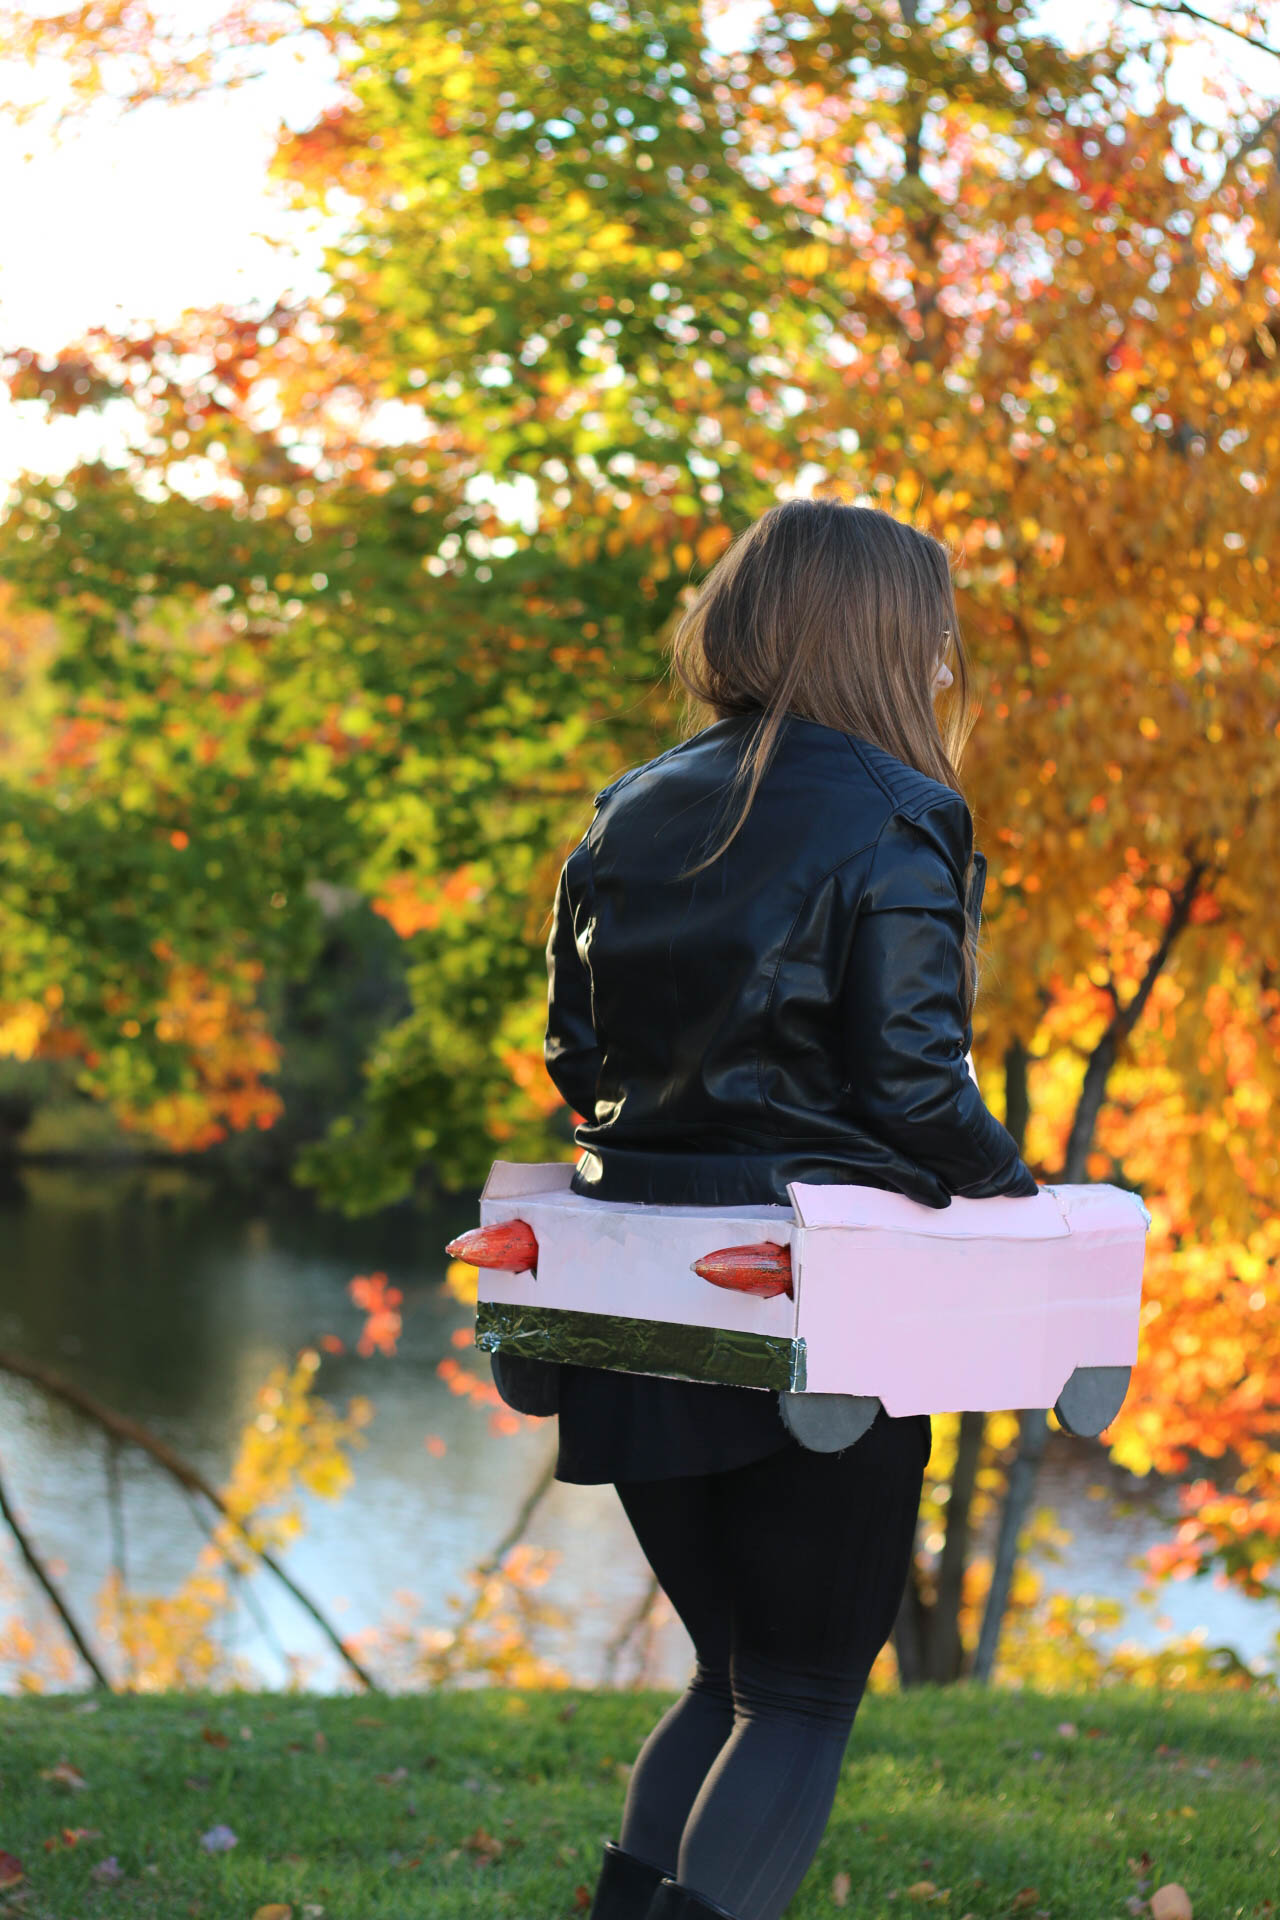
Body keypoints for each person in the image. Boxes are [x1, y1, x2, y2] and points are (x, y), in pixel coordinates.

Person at [538, 499, 1037, 1920]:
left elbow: (579, 1061)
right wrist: (1020, 1193)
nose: (943, 662)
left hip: (630, 1289)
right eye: (931, 633)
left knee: (728, 1672)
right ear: (882, 634)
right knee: (803, 1693)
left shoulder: (631, 805)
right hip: (823, 1299)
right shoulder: (898, 812)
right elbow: (913, 1089)